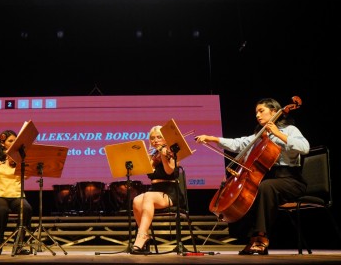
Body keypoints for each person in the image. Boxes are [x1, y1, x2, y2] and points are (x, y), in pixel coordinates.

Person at [195, 97, 310, 255]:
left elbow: (304, 148)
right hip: (269, 179)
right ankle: (250, 239)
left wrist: (278, 134)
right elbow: (240, 144)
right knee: (249, 193)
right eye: (256, 112)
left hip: (291, 180)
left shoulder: (290, 130)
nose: (257, 115)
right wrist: (213, 139)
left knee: (264, 187)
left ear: (275, 112)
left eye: (261, 111)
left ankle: (261, 238)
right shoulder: (260, 135)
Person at [131, 125, 183, 254]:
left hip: (170, 192)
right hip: (155, 190)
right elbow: (150, 172)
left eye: (159, 137)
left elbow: (169, 171)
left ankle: (141, 235)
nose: (155, 140)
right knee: (137, 200)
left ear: (166, 139)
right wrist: (152, 159)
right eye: (152, 138)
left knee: (148, 196)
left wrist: (164, 155)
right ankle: (145, 235)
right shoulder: (152, 156)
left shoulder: (173, 153)